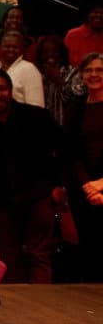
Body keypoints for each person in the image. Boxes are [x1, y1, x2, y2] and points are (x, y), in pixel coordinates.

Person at [0, 69, 63, 283]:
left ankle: (44, 305)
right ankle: (17, 312)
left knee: (40, 255)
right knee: (8, 257)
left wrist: (57, 185)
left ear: (10, 90)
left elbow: (62, 150)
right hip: (3, 201)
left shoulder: (37, 116)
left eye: (2, 89)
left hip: (39, 196)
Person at [64, 53, 103, 282]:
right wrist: (87, 184)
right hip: (83, 185)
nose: (94, 75)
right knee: (88, 242)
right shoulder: (76, 107)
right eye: (89, 71)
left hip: (99, 184)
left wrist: (101, 184)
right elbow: (70, 150)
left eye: (99, 70)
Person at [0, 30, 44, 107]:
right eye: (7, 46)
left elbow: (37, 107)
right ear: (1, 47)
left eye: (15, 47)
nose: (11, 50)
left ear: (22, 49)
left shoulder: (29, 69)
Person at [64, 2, 103, 66]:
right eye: (95, 12)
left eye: (102, 13)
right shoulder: (72, 35)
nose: (98, 15)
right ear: (87, 14)